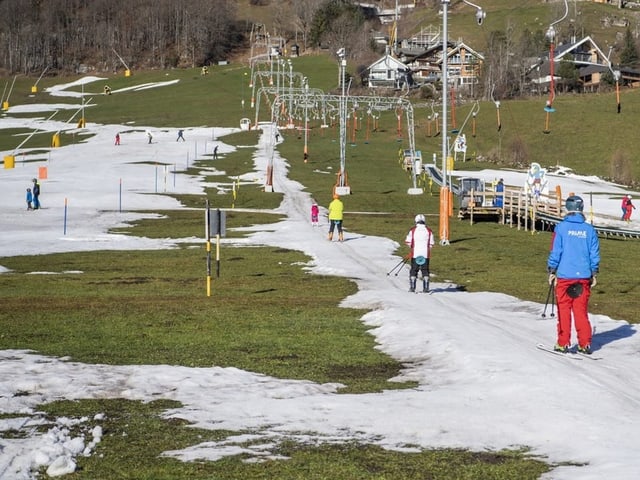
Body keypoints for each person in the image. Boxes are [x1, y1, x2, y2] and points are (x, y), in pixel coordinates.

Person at [547, 195, 600, 355]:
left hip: (564, 275)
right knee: (580, 310)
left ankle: (563, 343)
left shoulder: (561, 228)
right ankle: (585, 343)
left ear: (567, 209)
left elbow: (556, 251)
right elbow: (594, 253)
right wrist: (594, 272)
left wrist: (552, 269)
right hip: (583, 276)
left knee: (564, 309)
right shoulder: (589, 229)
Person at [404, 214, 435, 293]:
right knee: (425, 270)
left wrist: (412, 247)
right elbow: (431, 243)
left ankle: (412, 287)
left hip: (415, 253)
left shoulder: (413, 230)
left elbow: (408, 241)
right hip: (425, 254)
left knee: (414, 270)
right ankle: (426, 288)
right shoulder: (429, 230)